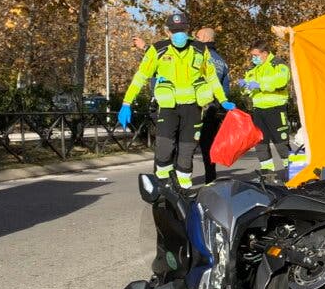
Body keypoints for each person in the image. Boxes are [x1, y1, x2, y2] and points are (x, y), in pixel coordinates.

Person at [117, 12, 234, 189]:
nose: (178, 34)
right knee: (164, 150)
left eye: (182, 30)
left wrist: (223, 100)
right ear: (167, 32)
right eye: (174, 30)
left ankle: (184, 190)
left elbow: (211, 78)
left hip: (193, 109)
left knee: (186, 153)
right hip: (168, 108)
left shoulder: (200, 50)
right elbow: (140, 77)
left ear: (187, 30)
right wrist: (126, 103)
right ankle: (164, 187)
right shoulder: (157, 50)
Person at [238, 41, 301, 180]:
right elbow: (247, 90)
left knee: (281, 144)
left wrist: (259, 85)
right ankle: (268, 175)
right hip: (258, 110)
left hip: (275, 109)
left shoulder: (278, 65)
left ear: (265, 54)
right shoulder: (252, 69)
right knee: (260, 144)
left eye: (255, 55)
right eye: (251, 56)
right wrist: (244, 87)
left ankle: (292, 173)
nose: (253, 58)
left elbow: (281, 82)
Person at [192, 27, 230, 184]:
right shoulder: (222, 61)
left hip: (193, 107)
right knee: (208, 149)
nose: (195, 38)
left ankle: (181, 183)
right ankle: (210, 180)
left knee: (185, 147)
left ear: (206, 38)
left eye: (197, 36)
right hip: (212, 110)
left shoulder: (197, 55)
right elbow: (225, 89)